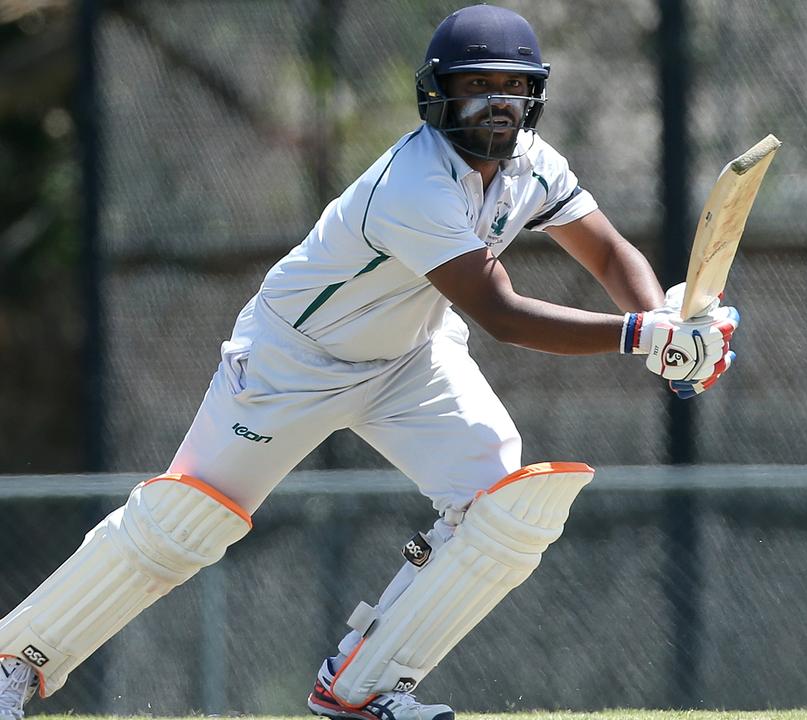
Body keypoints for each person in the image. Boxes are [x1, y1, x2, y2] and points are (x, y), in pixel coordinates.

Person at [0, 6, 739, 720]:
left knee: (505, 504)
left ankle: (362, 688)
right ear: (437, 92)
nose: (497, 103)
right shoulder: (414, 183)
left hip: (412, 359)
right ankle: (12, 663)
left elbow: (609, 251)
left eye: (513, 87)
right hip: (295, 360)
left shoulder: (533, 166)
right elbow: (502, 314)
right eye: (477, 84)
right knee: (184, 523)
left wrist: (668, 325)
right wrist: (644, 338)